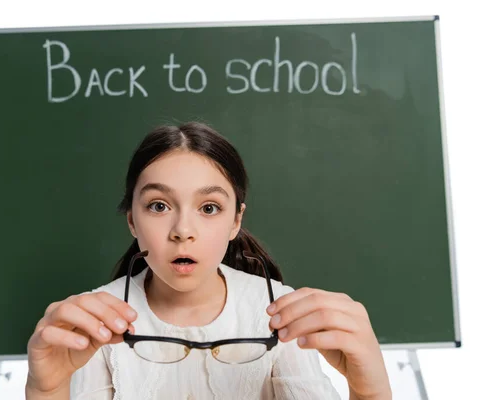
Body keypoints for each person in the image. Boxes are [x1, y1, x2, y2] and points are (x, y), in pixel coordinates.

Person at [25, 122, 392, 400]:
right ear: (132, 220)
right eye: (158, 206)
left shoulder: (278, 311)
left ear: (236, 221)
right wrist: (47, 390)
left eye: (209, 208)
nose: (183, 230)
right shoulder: (95, 322)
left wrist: (370, 390)